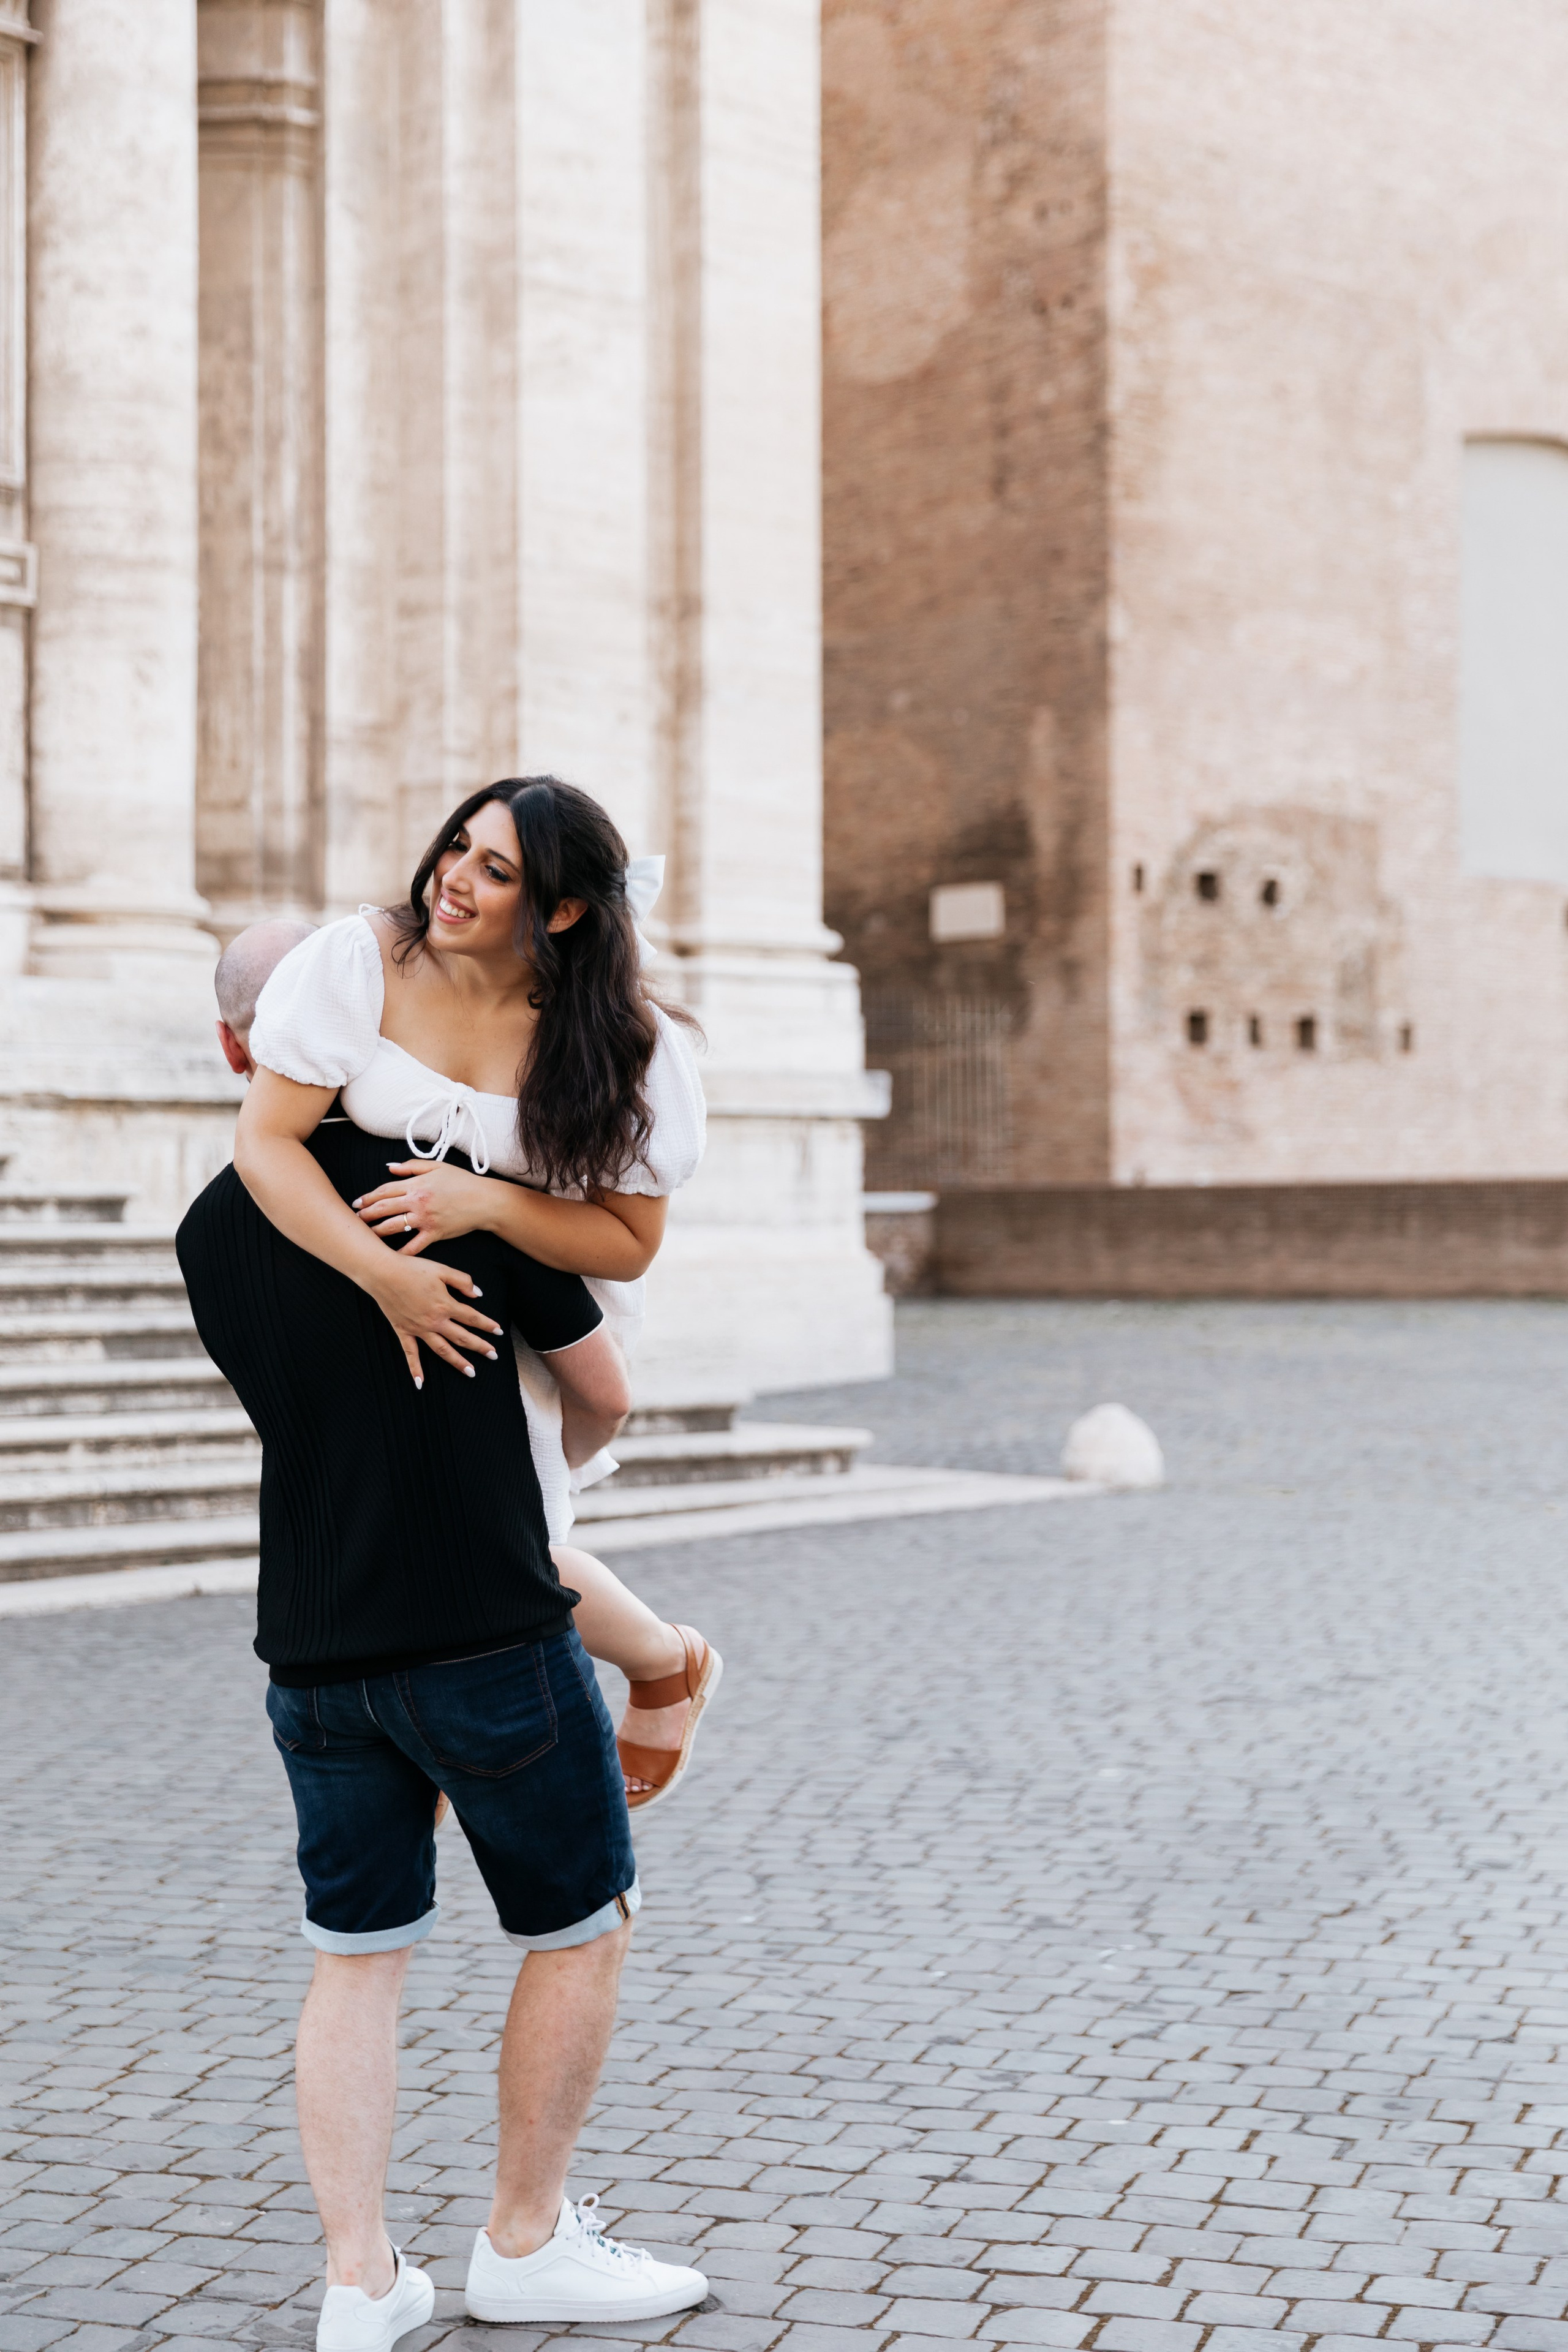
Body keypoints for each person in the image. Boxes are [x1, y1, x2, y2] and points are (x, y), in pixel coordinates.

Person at [176, 781, 722, 2350]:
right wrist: (414, 1275)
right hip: (484, 1610)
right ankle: (528, 2241)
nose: (454, 883)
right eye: (455, 852)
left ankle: (360, 2285)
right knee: (579, 1923)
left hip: (317, 1636)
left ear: (563, 910)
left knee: (355, 1956)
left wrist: (481, 1205)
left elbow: (622, 1232)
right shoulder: (391, 1102)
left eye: (496, 869)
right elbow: (602, 1343)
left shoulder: (229, 1234)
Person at [213, 912, 719, 1810]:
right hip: (384, 1520)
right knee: (491, 1542)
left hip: (518, 1280)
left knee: (512, 1543)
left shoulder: (409, 1168)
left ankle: (660, 1661)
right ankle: (636, 1667)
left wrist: (568, 1435)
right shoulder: (265, 1190)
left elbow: (606, 1376)